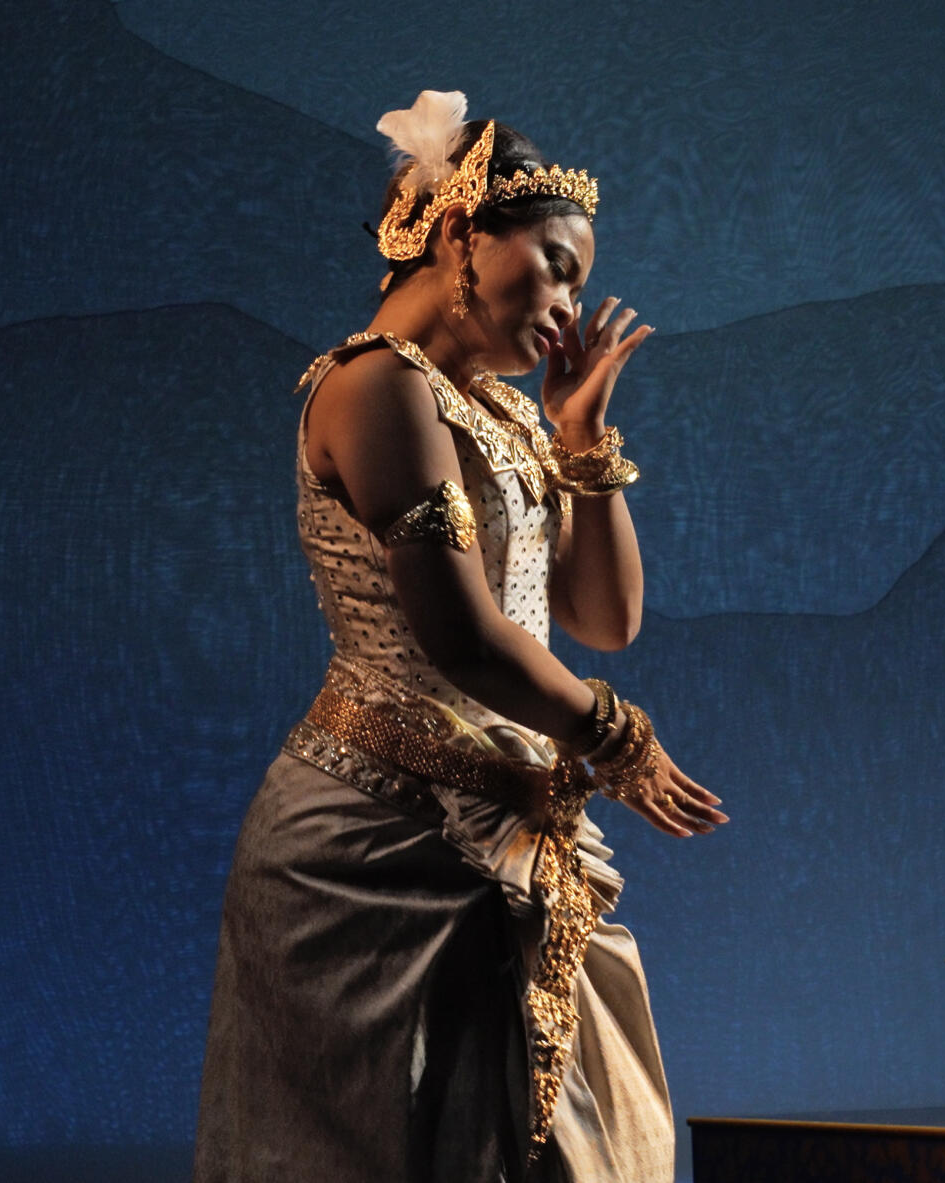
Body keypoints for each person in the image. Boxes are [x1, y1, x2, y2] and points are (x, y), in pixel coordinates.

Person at [194, 90, 728, 1183]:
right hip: (375, 844)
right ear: (460, 239)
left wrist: (581, 437)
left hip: (508, 821)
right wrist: (617, 742)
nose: (570, 306)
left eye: (579, 278)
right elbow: (463, 639)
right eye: (557, 263)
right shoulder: (377, 389)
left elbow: (603, 619)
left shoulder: (507, 410)